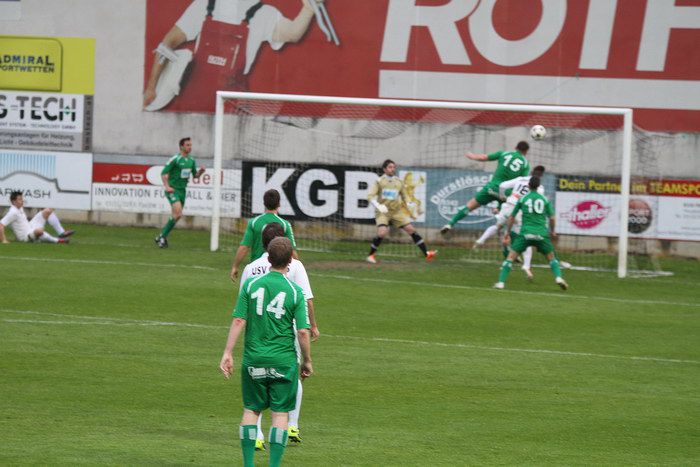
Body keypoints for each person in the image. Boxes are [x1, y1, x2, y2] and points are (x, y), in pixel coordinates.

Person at [220, 236, 313, 467]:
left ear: (268, 259)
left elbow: (239, 319)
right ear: (290, 261)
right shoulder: (295, 292)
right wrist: (307, 361)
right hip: (284, 361)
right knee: (280, 414)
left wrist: (228, 352)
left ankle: (248, 464)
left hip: (254, 359)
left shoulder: (251, 285)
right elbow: (303, 331)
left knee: (251, 410)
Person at [144, 0, 327, 112]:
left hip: (233, 107)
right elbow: (166, 44)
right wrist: (152, 88)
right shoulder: (203, 4)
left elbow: (293, 34)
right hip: (193, 103)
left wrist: (308, 9)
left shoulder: (264, 13)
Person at [240, 223, 319, 451]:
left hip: (257, 332)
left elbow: (243, 303)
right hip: (287, 330)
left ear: (263, 242)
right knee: (291, 376)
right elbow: (306, 298)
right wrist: (313, 325)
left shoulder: (251, 268)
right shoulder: (294, 265)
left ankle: (257, 436)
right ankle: (292, 425)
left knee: (256, 384)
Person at [493, 176, 568, 290]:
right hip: (541, 234)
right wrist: (553, 231)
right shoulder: (544, 199)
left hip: (525, 234)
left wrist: (508, 232)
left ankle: (501, 283)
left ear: (528, 186)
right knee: (551, 258)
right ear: (538, 187)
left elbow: (512, 217)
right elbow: (552, 217)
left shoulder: (523, 199)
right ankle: (558, 278)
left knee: (510, 258)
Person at [441, 141, 531, 235]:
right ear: (526, 151)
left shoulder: (504, 153)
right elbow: (523, 182)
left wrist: (472, 156)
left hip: (492, 188)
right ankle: (505, 234)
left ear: (516, 147)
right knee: (508, 217)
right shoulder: (525, 164)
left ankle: (450, 224)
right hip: (506, 194)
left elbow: (484, 157)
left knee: (470, 206)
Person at [473, 165, 547, 279]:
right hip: (519, 211)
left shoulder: (520, 179)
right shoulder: (540, 188)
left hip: (508, 205)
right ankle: (526, 266)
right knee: (525, 238)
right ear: (541, 176)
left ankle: (481, 240)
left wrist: (502, 197)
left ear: (531, 172)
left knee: (498, 226)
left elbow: (502, 185)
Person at [366, 159, 436, 264]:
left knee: (411, 230)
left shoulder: (399, 182)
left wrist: (409, 203)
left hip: (396, 212)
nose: (392, 169)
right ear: (384, 169)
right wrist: (378, 206)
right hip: (383, 212)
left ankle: (427, 254)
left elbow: (405, 195)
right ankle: (370, 255)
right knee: (382, 233)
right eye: (390, 167)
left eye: (394, 167)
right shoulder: (379, 181)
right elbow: (370, 196)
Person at [230, 189, 297, 280]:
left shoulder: (253, 222)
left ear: (264, 204)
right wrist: (297, 269)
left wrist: (235, 266)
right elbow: (292, 251)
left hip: (257, 269)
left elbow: (244, 247)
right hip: (279, 270)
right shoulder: (285, 224)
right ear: (279, 204)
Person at [154, 137, 205, 248]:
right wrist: (167, 186)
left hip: (182, 191)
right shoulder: (175, 159)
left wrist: (200, 172)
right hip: (173, 190)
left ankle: (161, 236)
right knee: (178, 213)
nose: (190, 147)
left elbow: (195, 176)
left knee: (176, 216)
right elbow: (163, 173)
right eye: (187, 145)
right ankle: (162, 237)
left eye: (190, 145)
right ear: (181, 146)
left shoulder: (191, 160)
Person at [0, 191, 74, 244]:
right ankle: (58, 240)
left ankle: (61, 233)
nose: (22, 201)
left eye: (22, 199)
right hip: (25, 237)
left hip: (30, 226)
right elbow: (1, 225)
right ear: (13, 202)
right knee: (39, 231)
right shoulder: (13, 212)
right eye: (19, 199)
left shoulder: (19, 207)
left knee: (47, 211)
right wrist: (3, 240)